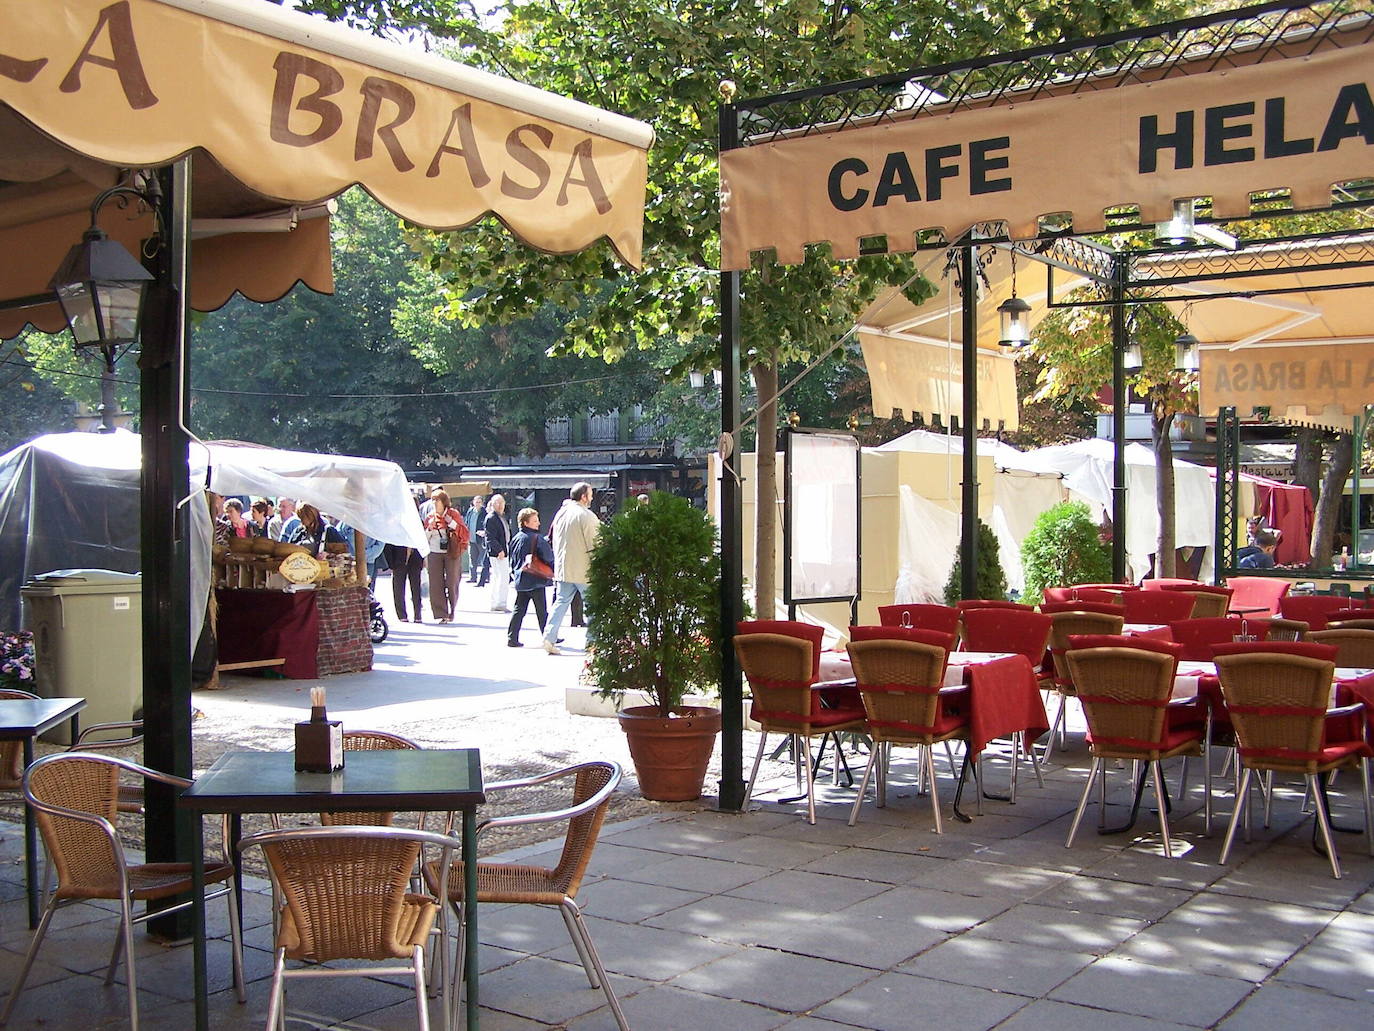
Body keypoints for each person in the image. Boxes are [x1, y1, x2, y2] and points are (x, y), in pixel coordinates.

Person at [542, 481, 600, 655]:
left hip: (563, 568)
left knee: (560, 603)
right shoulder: (586, 515)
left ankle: (549, 637)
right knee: (593, 606)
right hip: (584, 569)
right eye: (590, 495)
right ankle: (592, 643)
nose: (592, 498)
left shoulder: (561, 513)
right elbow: (595, 544)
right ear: (584, 497)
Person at [507, 508, 554, 647]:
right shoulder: (537, 538)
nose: (538, 523)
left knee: (519, 610)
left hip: (521, 578)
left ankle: (512, 637)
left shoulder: (516, 538)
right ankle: (549, 637)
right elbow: (548, 556)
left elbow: (512, 559)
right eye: (534, 521)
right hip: (536, 578)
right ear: (526, 523)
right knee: (542, 611)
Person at [424, 490, 469, 623]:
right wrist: (430, 529)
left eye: (436, 500)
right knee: (435, 583)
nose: (434, 503)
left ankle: (452, 610)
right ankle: (441, 614)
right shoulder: (430, 517)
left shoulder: (453, 514)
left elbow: (464, 533)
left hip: (451, 552)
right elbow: (424, 538)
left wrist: (451, 523)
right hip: (434, 552)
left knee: (452, 582)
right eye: (432, 500)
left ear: (443, 502)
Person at [484, 494, 511, 612]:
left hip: (502, 550)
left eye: (502, 503)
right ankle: (500, 603)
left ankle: (496, 602)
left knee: (498, 577)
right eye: (497, 503)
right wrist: (499, 550)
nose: (500, 505)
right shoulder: (491, 518)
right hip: (498, 552)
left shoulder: (501, 517)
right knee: (502, 578)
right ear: (492, 504)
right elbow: (490, 537)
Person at [464, 496, 486, 583]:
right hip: (471, 539)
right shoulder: (470, 511)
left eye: (479, 502)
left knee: (483, 559)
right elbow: (466, 522)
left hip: (481, 539)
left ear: (482, 503)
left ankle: (485, 577)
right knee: (472, 559)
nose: (477, 504)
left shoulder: (484, 512)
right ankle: (473, 577)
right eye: (476, 502)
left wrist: (484, 532)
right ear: (473, 502)